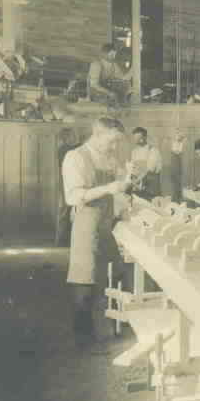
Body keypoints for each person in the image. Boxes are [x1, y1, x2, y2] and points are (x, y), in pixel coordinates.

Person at [62, 116, 132, 348]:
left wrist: (128, 179)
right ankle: (83, 339)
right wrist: (109, 188)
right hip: (87, 223)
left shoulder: (110, 158)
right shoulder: (75, 157)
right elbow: (73, 197)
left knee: (116, 274)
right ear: (97, 134)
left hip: (107, 223)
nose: (115, 147)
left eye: (117, 142)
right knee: (85, 279)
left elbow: (120, 186)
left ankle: (118, 327)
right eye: (112, 141)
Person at [88, 43, 132, 108]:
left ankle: (121, 104)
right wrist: (109, 93)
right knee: (111, 101)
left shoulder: (114, 65)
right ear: (104, 53)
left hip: (109, 91)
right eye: (111, 54)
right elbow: (94, 85)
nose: (113, 56)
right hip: (97, 92)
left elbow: (122, 79)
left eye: (114, 54)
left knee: (124, 85)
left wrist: (131, 72)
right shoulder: (96, 64)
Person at [55, 128, 79, 246]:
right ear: (66, 137)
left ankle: (63, 239)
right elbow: (75, 149)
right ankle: (61, 240)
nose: (74, 138)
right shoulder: (64, 149)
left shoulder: (66, 149)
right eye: (72, 136)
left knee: (67, 212)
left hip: (68, 183)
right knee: (64, 212)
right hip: (66, 184)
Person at [129, 127, 163, 200]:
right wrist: (133, 181)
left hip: (151, 189)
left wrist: (137, 180)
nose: (137, 139)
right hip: (138, 188)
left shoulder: (153, 151)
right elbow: (132, 169)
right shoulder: (134, 152)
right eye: (135, 138)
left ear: (145, 137)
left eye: (139, 137)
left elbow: (150, 170)